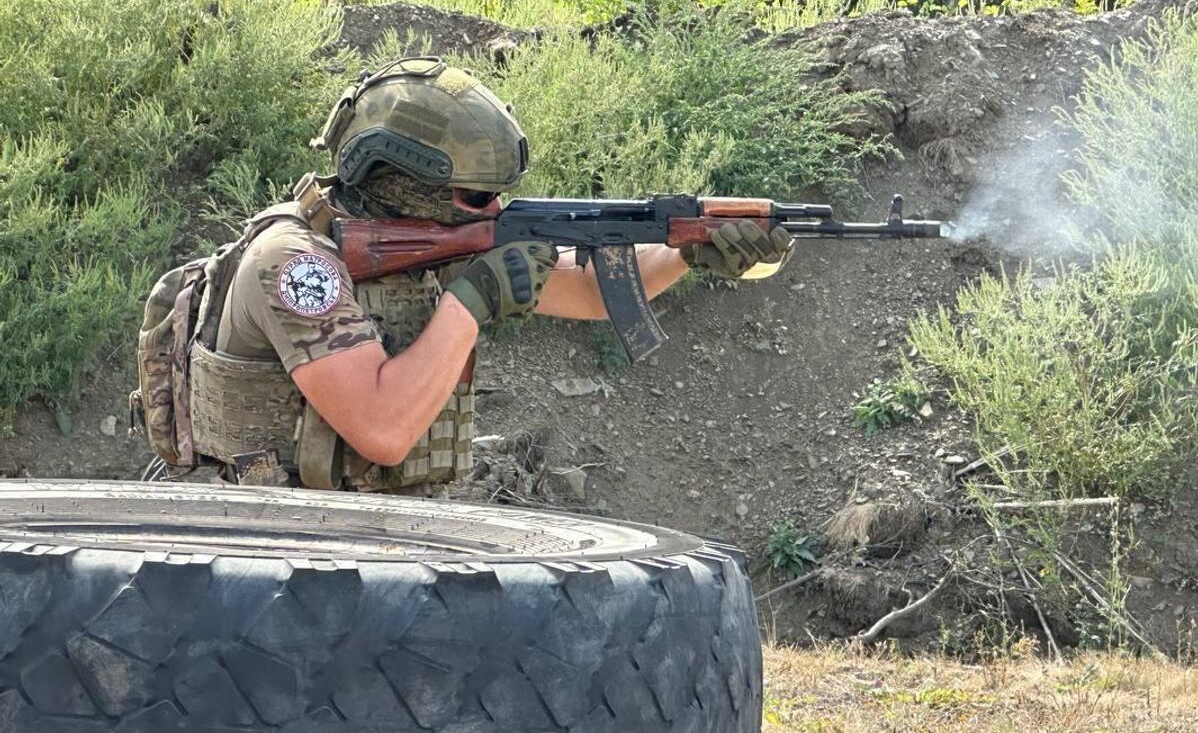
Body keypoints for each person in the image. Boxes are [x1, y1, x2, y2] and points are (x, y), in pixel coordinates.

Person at [178, 57, 793, 492]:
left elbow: (589, 290)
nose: (495, 211)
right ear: (403, 185)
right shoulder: (294, 264)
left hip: (370, 527)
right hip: (267, 528)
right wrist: (470, 303)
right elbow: (383, 430)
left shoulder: (434, 238)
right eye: (476, 197)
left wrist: (687, 250)